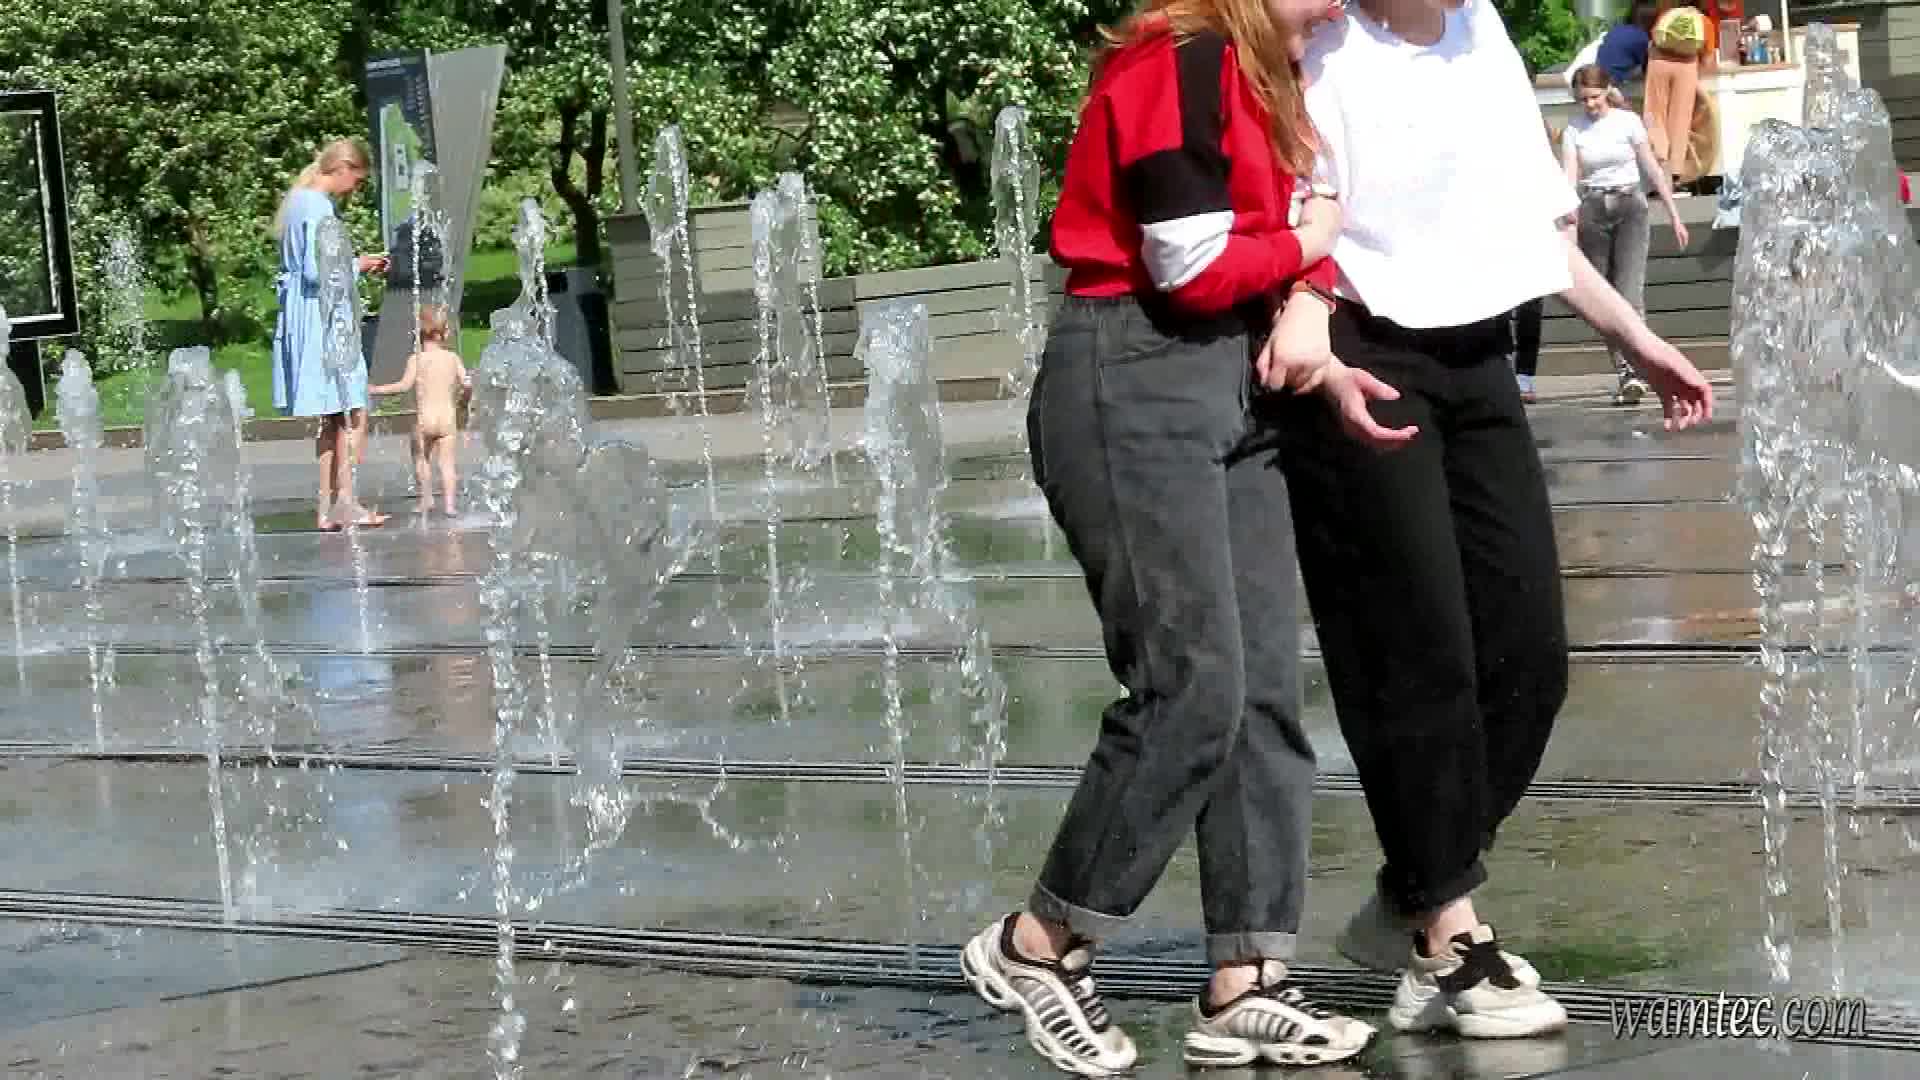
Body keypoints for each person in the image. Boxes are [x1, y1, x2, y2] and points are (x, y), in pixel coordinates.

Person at [958, 0, 1405, 1074]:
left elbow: (1281, 248)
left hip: (1231, 383)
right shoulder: (1183, 57)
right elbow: (1191, 262)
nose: (1340, 5)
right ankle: (1040, 943)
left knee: (1260, 692)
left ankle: (1246, 979)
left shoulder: (1264, 72)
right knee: (1190, 685)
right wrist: (1312, 243)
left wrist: (1312, 304)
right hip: (1134, 377)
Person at [1281, 0, 1714, 1040]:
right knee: (1416, 652)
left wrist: (1636, 339)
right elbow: (1285, 219)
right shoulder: (1319, 47)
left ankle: (1416, 887)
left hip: (1478, 361)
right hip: (1358, 353)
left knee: (1530, 659)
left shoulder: (1480, 33)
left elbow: (1538, 228)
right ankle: (1449, 938)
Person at [273, 139, 389, 530]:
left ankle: (328, 509)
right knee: (350, 409)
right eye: (356, 181)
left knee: (332, 416)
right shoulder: (318, 207)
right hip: (321, 317)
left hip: (305, 315)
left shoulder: (297, 201)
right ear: (342, 168)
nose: (354, 190)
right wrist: (359, 265)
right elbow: (314, 272)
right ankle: (345, 503)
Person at [1563, 64, 1690, 405]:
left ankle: (1641, 369)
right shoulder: (1574, 129)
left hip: (1630, 207)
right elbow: (1570, 177)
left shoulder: (1627, 122)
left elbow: (1651, 167)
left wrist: (1674, 214)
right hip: (1593, 210)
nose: (1589, 105)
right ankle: (1626, 373)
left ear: (1606, 90)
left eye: (1594, 97)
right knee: (1605, 296)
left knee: (1630, 292)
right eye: (1582, 99)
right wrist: (1568, 225)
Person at [371, 304, 471, 516]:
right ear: (442, 333)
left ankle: (426, 499)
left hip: (424, 419)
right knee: (447, 465)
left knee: (420, 459)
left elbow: (403, 386)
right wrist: (464, 401)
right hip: (447, 419)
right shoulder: (452, 358)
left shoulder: (416, 359)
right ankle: (450, 506)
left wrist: (377, 389)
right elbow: (467, 384)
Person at [1595, 0, 1658, 87]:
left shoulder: (1618, 28)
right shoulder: (1641, 37)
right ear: (1651, 22)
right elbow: (1647, 66)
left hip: (1598, 74)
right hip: (1614, 79)